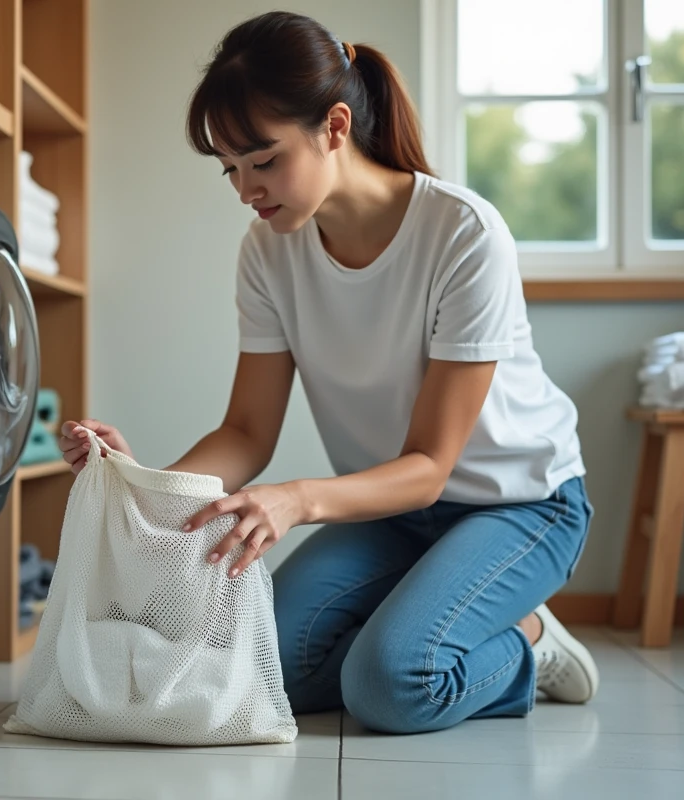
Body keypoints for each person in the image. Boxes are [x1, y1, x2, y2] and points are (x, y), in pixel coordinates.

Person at [59, 10, 597, 735]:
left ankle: (532, 641)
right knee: (258, 661)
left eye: (264, 159)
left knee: (387, 685)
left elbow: (433, 465)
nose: (245, 188)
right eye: (231, 168)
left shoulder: (463, 235)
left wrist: (297, 501)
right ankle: (426, 614)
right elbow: (247, 432)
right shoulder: (267, 253)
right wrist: (147, 482)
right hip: (393, 513)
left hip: (521, 506)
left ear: (335, 128)